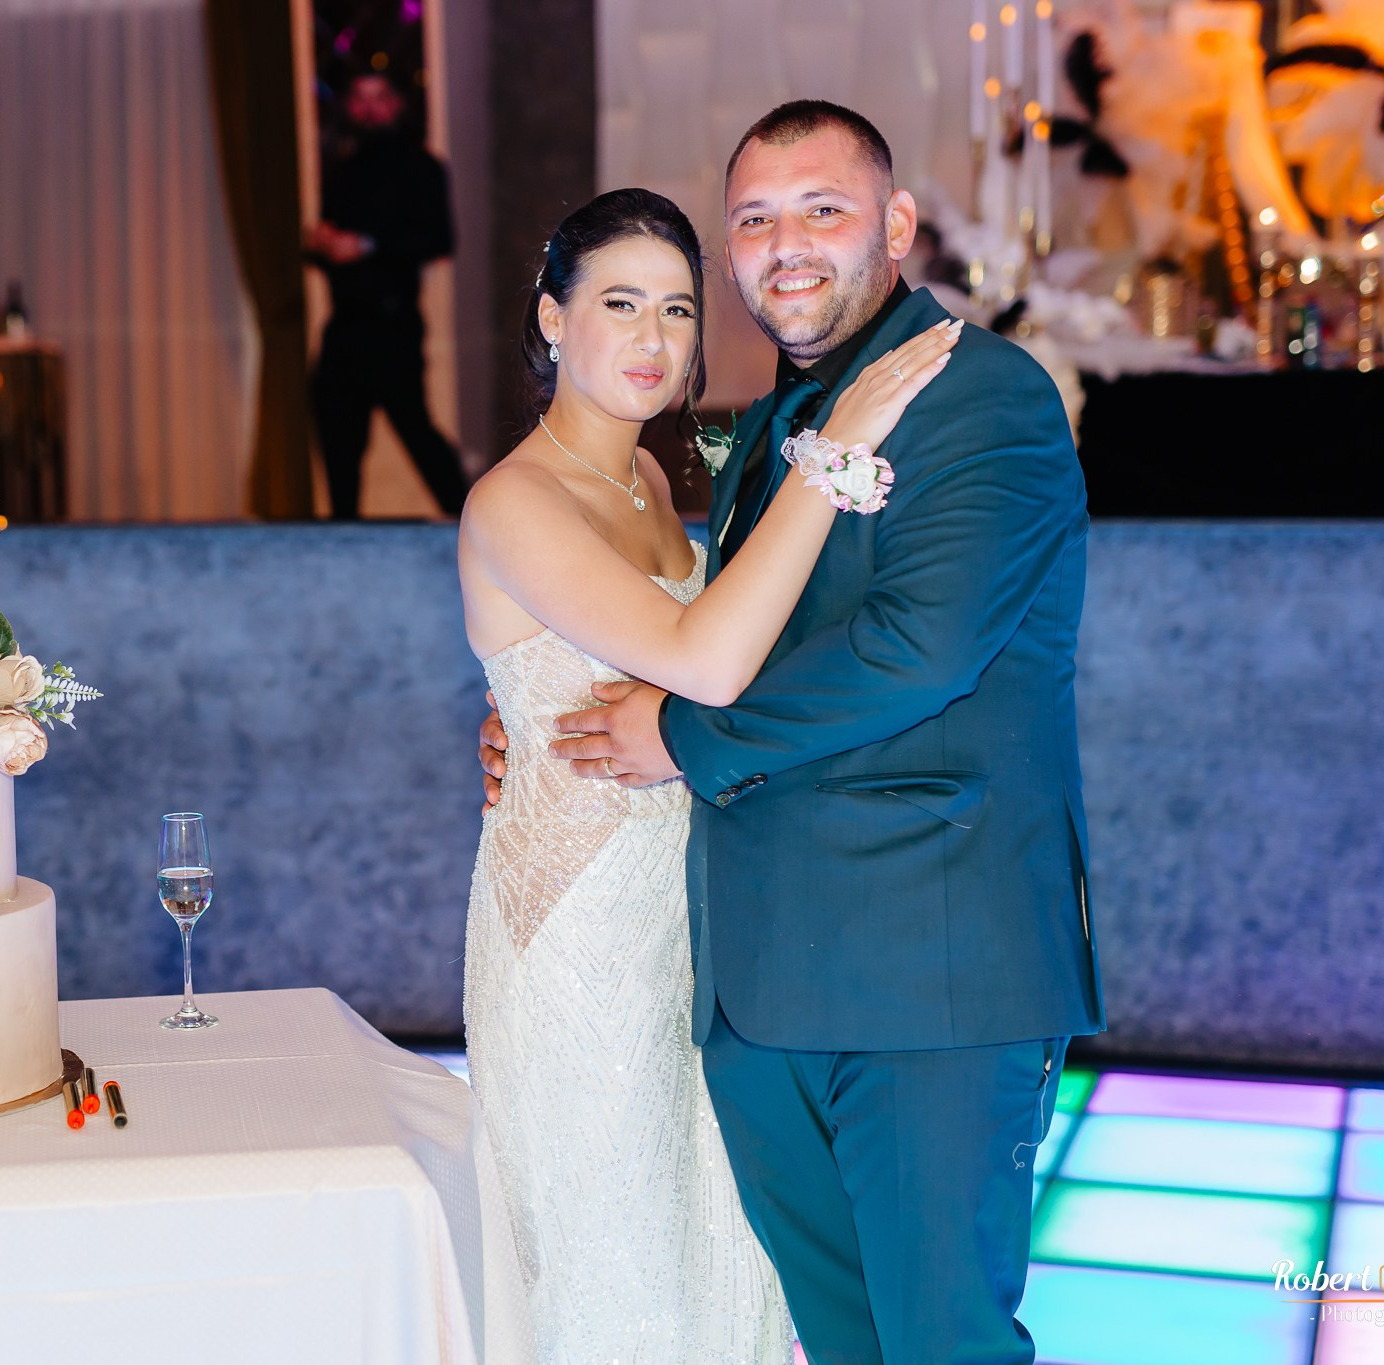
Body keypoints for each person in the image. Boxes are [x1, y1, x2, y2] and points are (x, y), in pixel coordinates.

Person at [479, 103, 1104, 1363]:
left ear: (895, 224)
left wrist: (674, 740)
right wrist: (532, 717)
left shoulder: (979, 394)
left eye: (823, 209)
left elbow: (913, 653)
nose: (787, 245)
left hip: (926, 980)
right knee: (834, 1340)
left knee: (940, 1344)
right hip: (757, 987)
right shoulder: (765, 428)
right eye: (754, 221)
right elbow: (680, 630)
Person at [460, 185, 958, 1360]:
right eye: (618, 303)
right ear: (549, 319)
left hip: (690, 922)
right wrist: (834, 455)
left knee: (717, 1249)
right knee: (615, 1262)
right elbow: (705, 659)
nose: (652, 340)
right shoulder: (512, 499)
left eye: (677, 310)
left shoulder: (651, 489)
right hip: (577, 941)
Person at [308, 71, 468, 520]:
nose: (370, 107)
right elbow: (333, 244)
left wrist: (366, 245)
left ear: (396, 104)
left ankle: (469, 524)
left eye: (380, 97)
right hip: (346, 322)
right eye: (360, 98)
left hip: (392, 322)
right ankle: (343, 535)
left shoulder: (422, 167)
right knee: (337, 432)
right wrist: (322, 244)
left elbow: (439, 239)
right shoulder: (343, 169)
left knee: (415, 428)